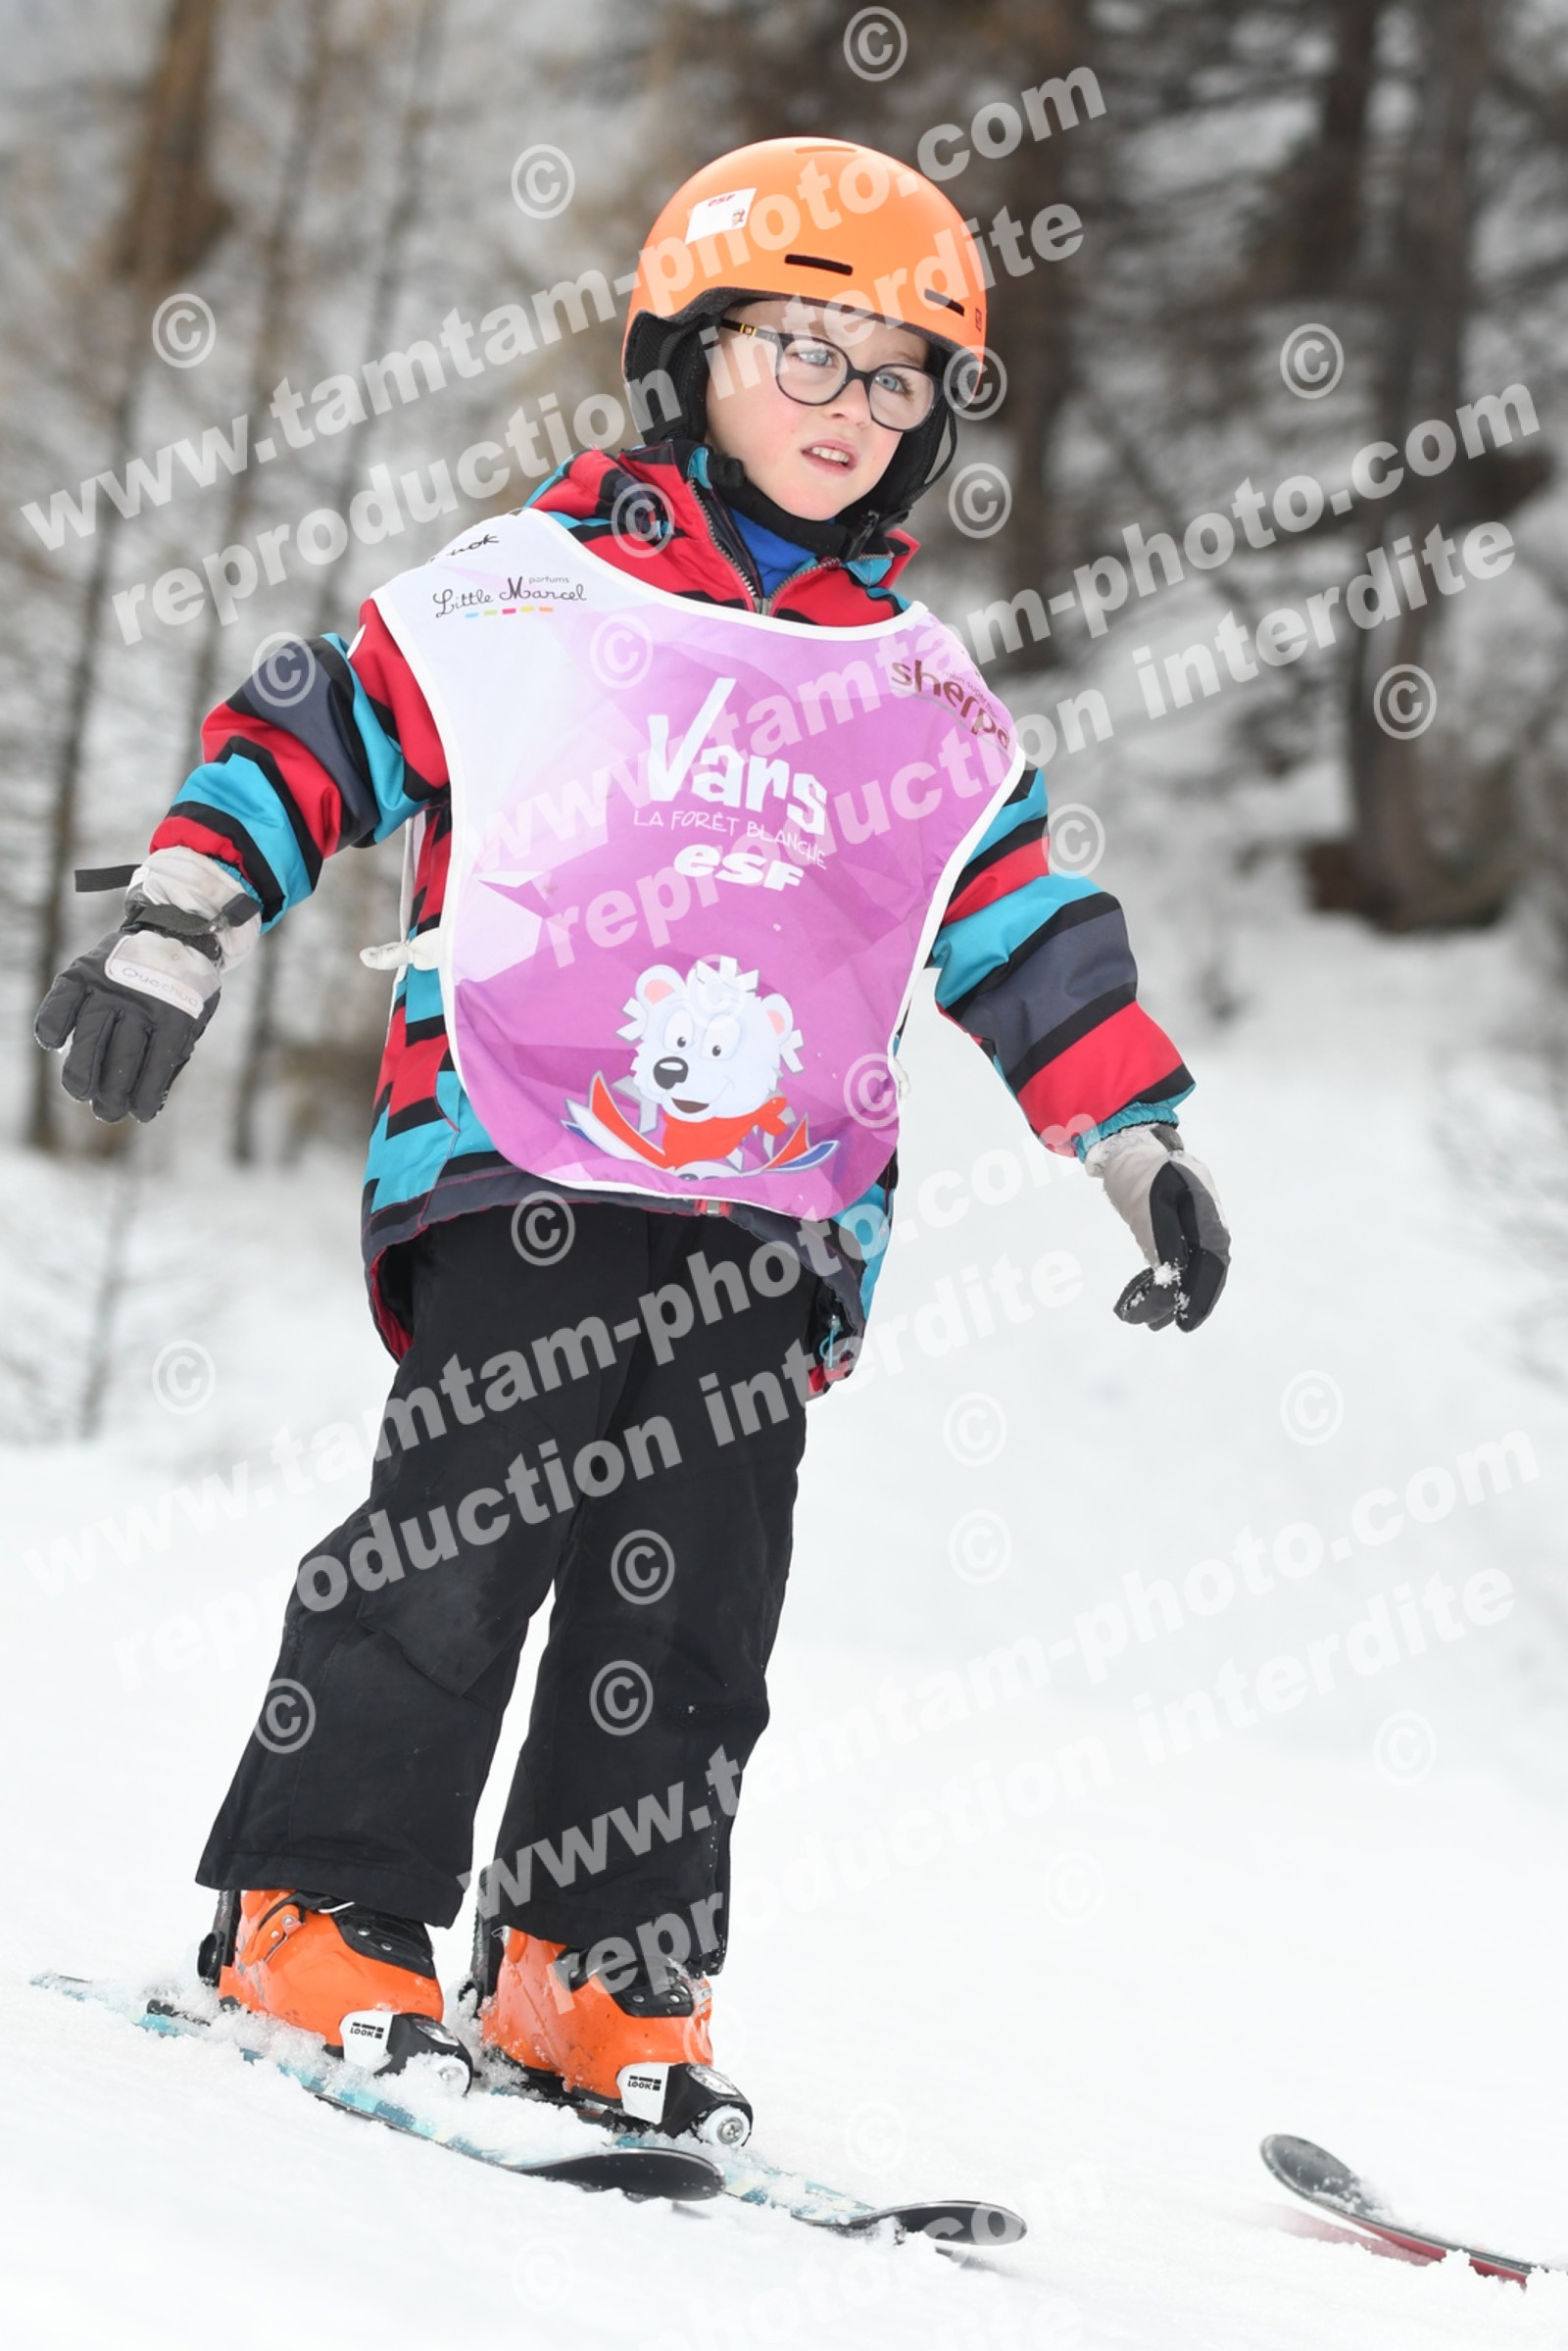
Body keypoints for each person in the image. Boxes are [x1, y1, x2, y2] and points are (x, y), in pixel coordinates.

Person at [34, 137, 1229, 2144]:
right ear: (687, 358)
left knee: (693, 1591)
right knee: (466, 1524)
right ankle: (311, 1906)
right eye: (805, 351)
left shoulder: (917, 696)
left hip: (775, 1201)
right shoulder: (522, 592)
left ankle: (591, 1960)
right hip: (523, 1149)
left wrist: (1136, 1146)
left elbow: (1025, 933)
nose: (851, 406)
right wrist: (178, 920)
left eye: (897, 376)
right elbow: (309, 735)